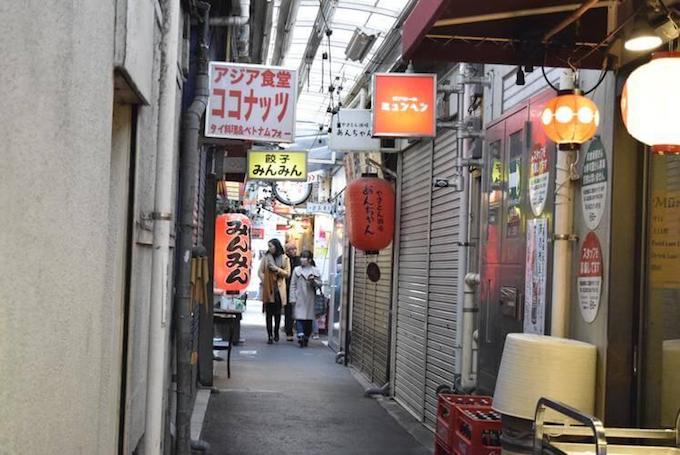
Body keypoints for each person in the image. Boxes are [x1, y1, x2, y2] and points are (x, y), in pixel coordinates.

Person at [258, 239, 291, 344]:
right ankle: (270, 335)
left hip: (279, 289)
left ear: (276, 246)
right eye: (268, 246)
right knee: (268, 313)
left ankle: (276, 332)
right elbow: (260, 272)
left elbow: (287, 273)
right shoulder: (266, 258)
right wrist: (266, 281)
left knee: (277, 313)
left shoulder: (285, 258)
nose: (269, 248)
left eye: (271, 246)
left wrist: (276, 269)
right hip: (268, 289)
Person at [289, 250, 322, 348]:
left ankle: (306, 337)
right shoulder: (296, 270)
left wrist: (314, 281)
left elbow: (319, 284)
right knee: (299, 317)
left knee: (308, 320)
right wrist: (292, 298)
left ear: (309, 260)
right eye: (301, 257)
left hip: (310, 298)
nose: (302, 259)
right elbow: (293, 285)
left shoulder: (315, 271)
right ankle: (300, 335)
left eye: (304, 258)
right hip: (299, 296)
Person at [284, 243, 301, 342]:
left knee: (299, 311)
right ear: (286, 250)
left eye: (295, 249)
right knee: (288, 311)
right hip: (287, 288)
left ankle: (300, 331)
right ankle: (289, 332)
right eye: (291, 249)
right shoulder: (284, 259)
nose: (294, 251)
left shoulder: (299, 260)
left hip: (299, 289)